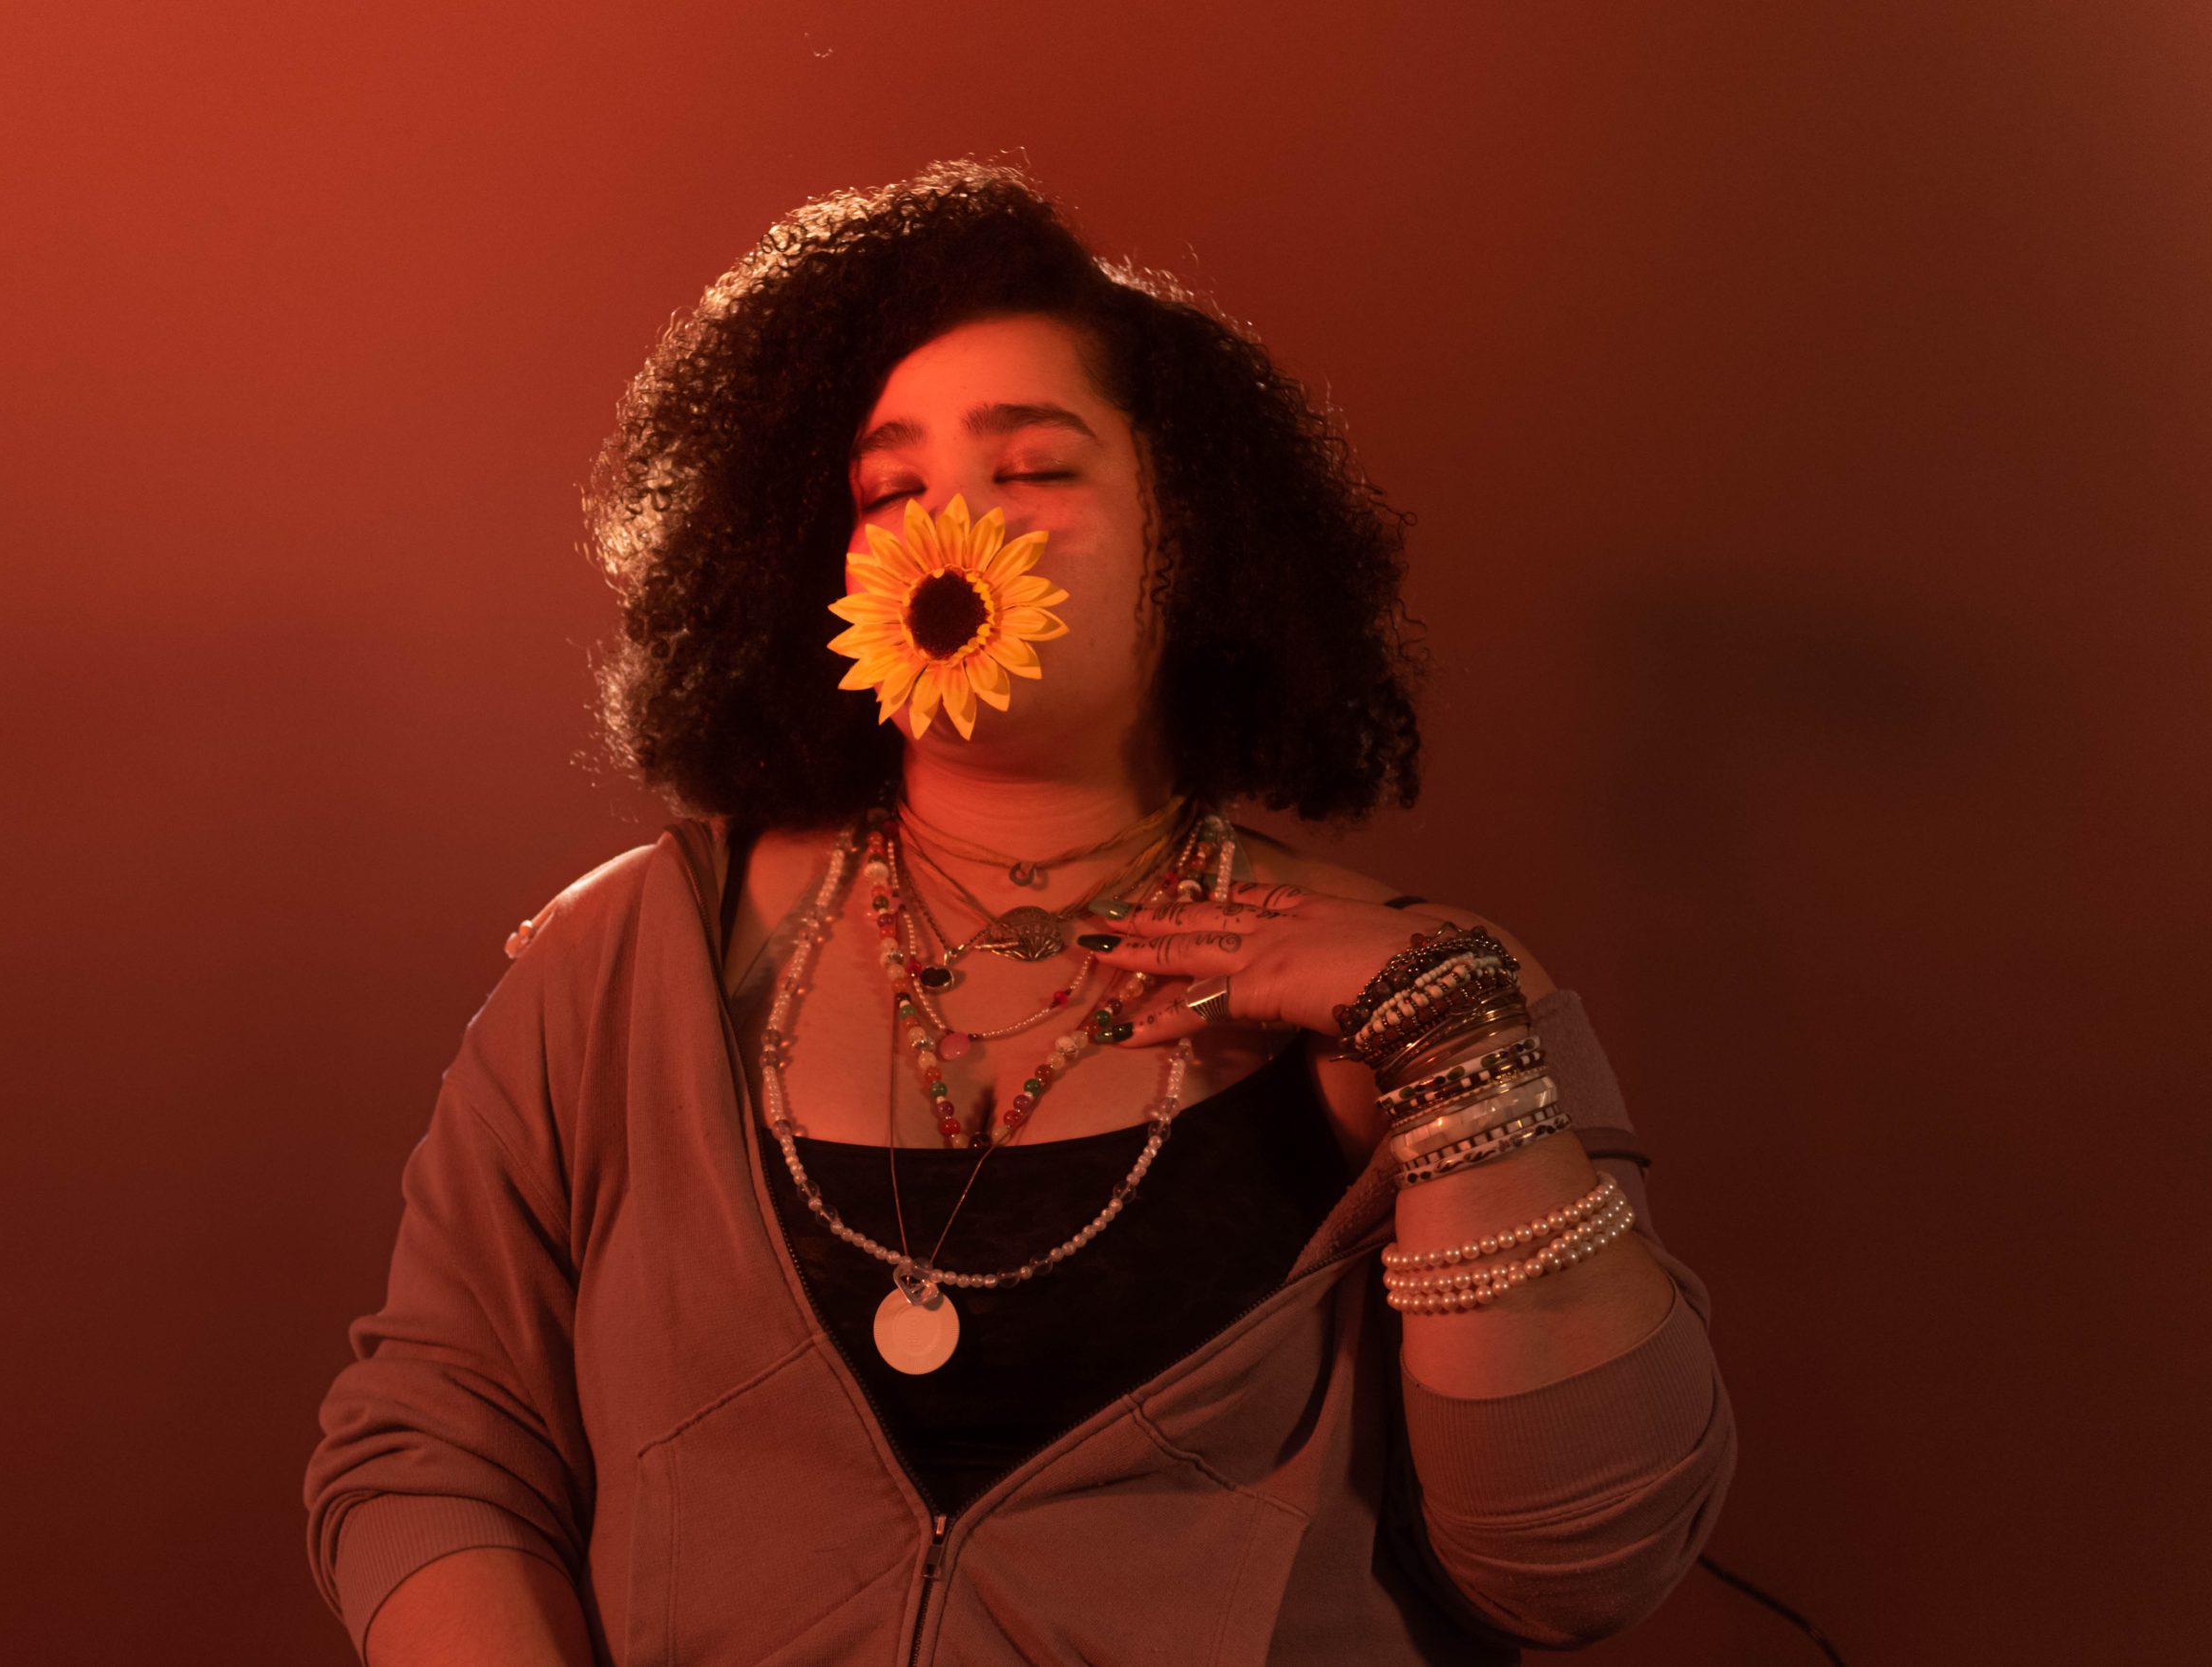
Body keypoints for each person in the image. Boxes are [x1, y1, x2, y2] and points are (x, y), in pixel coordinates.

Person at [303, 158, 1736, 1667]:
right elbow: (430, 1451)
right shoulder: (624, 964)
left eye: (1034, 468)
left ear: (1202, 542)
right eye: (887, 489)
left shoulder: (1429, 993)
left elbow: (1580, 1564)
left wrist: (1457, 1063)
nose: (952, 528)